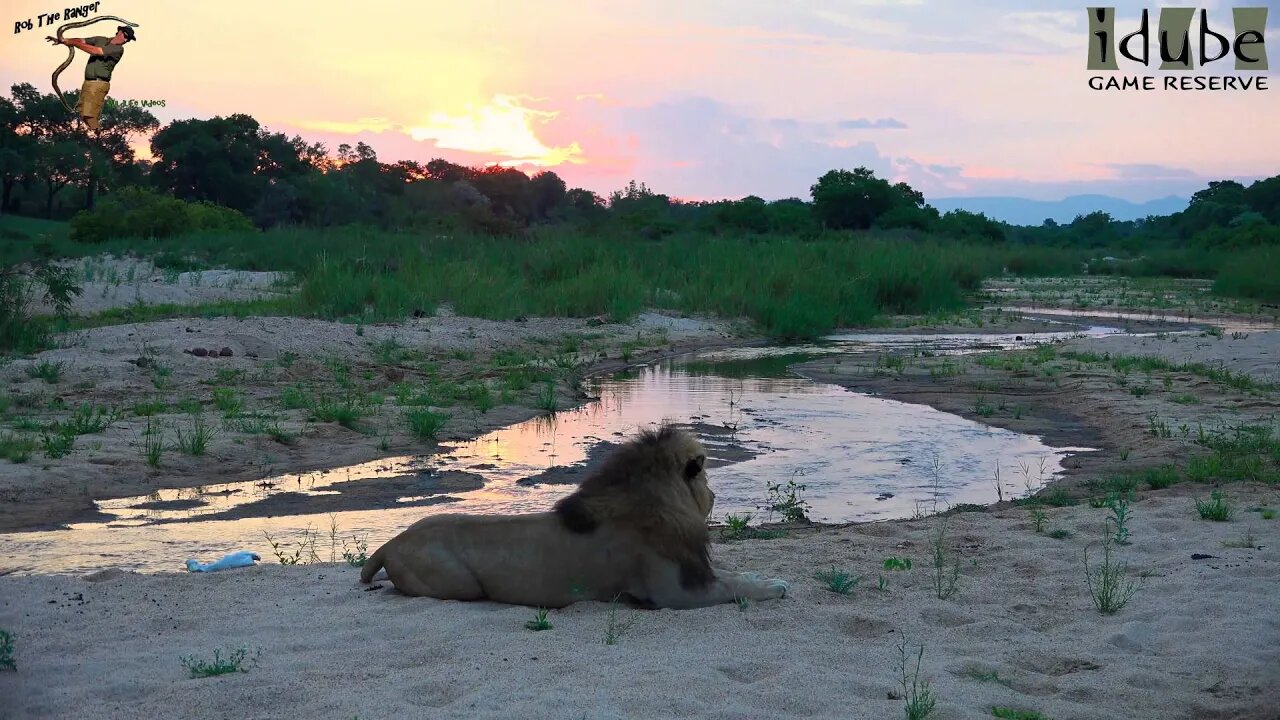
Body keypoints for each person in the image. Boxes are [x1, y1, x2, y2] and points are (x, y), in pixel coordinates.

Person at [45, 25, 136, 130]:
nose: (125, 40)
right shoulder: (100, 39)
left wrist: (72, 43)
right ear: (119, 32)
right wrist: (63, 40)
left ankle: (99, 139)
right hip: (88, 83)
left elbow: (96, 51)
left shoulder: (118, 49)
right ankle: (95, 136)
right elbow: (82, 41)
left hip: (98, 85)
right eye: (125, 36)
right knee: (83, 114)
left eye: (127, 39)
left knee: (90, 117)